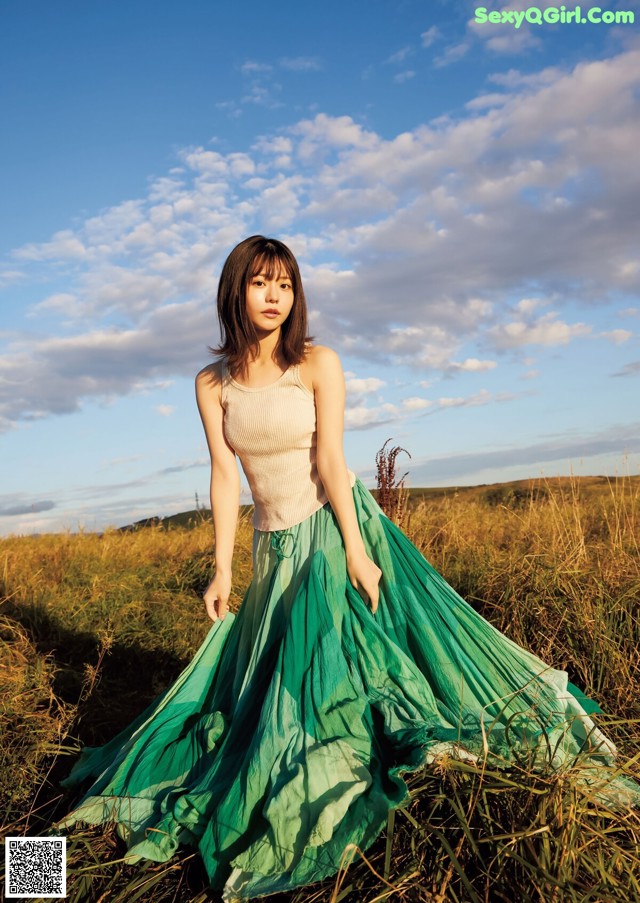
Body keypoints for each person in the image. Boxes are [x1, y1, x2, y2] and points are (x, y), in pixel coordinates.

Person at [53, 235, 639, 901]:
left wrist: (358, 550)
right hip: (274, 548)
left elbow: (331, 460)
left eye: (286, 284)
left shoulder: (317, 363)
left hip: (335, 529)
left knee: (351, 682)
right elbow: (224, 475)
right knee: (258, 702)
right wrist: (222, 569)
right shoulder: (211, 383)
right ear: (235, 290)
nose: (275, 296)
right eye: (261, 282)